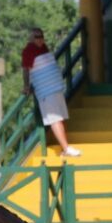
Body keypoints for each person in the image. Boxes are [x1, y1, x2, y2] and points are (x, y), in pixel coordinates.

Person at [21, 27, 80, 157]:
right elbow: (26, 70)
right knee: (56, 118)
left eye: (41, 36)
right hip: (49, 88)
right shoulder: (29, 50)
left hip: (52, 88)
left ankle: (65, 148)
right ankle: (66, 148)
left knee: (58, 118)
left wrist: (28, 87)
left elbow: (27, 70)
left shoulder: (42, 48)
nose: (40, 39)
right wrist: (26, 86)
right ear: (31, 38)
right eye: (37, 36)